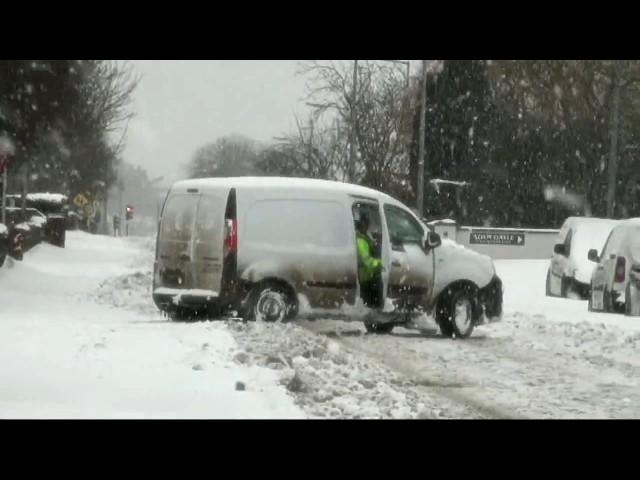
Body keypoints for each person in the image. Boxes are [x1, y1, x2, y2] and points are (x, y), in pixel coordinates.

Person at [355, 213, 383, 308]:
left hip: (369, 277)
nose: (367, 226)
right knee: (370, 303)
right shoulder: (360, 241)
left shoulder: (365, 237)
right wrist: (380, 263)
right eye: (366, 224)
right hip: (365, 279)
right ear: (362, 224)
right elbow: (367, 261)